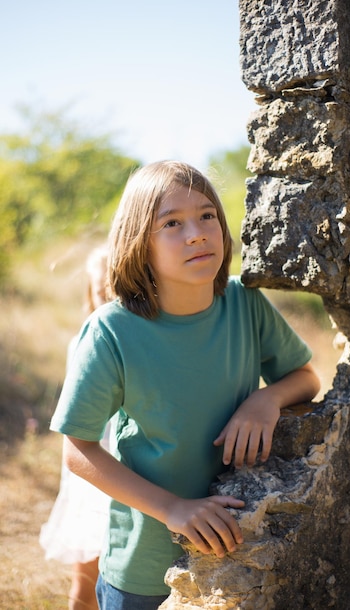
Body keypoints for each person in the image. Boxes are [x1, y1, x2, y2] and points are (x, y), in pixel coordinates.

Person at [50, 160, 321, 610]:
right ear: (139, 243)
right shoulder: (111, 332)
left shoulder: (245, 303)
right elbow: (78, 450)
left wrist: (266, 399)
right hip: (146, 566)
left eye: (207, 215)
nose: (196, 233)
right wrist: (174, 508)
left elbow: (305, 377)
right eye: (172, 223)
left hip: (239, 550)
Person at [40, 245, 111, 610]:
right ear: (91, 293)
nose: (109, 297)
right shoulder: (83, 341)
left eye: (116, 288)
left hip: (124, 466)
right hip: (93, 473)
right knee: (85, 578)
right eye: (102, 291)